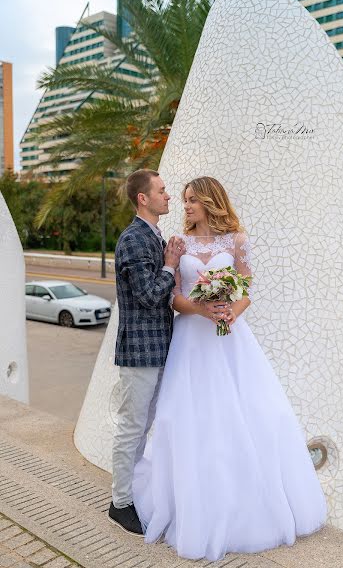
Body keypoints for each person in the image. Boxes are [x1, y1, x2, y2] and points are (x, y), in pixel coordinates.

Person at [132, 176, 328, 561]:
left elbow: (246, 289)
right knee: (191, 419)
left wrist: (229, 315)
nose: (185, 206)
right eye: (183, 199)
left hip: (229, 339)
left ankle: (251, 503)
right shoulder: (179, 244)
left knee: (252, 413)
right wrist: (202, 309)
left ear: (209, 201)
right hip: (191, 340)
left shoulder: (237, 240)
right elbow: (173, 297)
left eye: (191, 200)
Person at [108, 169, 185, 535]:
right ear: (143, 198)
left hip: (157, 349)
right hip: (139, 352)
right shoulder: (134, 239)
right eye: (162, 191)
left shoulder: (152, 236)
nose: (168, 196)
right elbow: (149, 295)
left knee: (142, 428)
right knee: (131, 428)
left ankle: (132, 493)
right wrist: (170, 264)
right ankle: (120, 503)